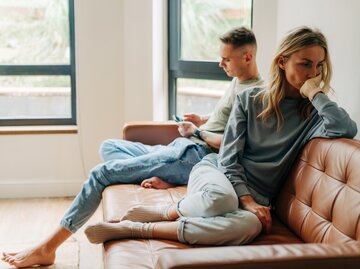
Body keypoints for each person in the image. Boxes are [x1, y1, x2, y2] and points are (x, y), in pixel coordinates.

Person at [1, 27, 263, 268]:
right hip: (184, 146)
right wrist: (203, 119)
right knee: (109, 146)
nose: (221, 63)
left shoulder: (254, 95)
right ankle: (166, 175)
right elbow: (226, 120)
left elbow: (232, 144)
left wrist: (198, 132)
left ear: (248, 57)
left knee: (101, 173)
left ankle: (48, 247)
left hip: (195, 155)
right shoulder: (238, 81)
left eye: (226, 59)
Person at [82, 26, 357, 246]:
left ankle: (140, 229)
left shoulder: (312, 113)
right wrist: (247, 200)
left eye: (319, 66)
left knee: (250, 226)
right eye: (306, 64)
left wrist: (316, 94)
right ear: (283, 62)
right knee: (222, 200)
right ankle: (173, 210)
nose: (314, 74)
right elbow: (227, 159)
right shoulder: (249, 99)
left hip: (257, 196)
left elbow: (346, 128)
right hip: (219, 174)